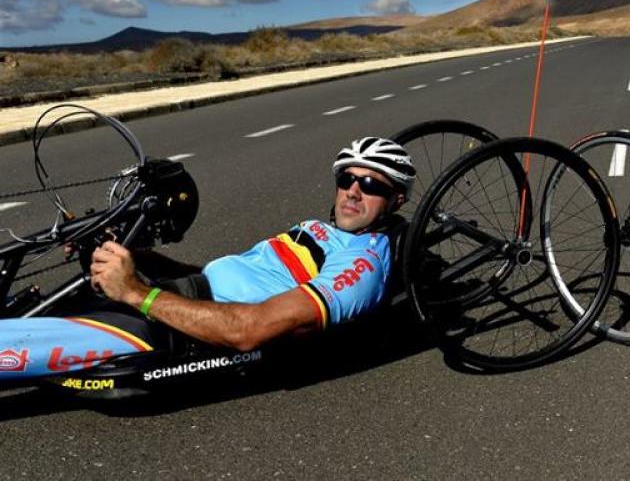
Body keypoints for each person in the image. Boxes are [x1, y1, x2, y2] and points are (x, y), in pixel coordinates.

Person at [0, 136, 414, 380]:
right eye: (346, 178)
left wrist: (135, 292)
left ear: (396, 199)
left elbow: (250, 329)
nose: (352, 191)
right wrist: (139, 259)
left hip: (177, 327)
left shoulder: (363, 262)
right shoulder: (319, 229)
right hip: (182, 297)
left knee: (16, 342)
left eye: (370, 184)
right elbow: (213, 278)